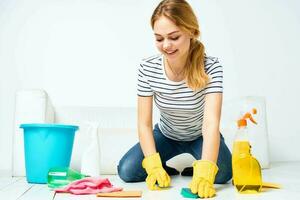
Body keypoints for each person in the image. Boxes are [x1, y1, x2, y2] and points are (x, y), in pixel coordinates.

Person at [118, 0, 232, 198]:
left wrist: (205, 171)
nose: (166, 45)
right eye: (159, 39)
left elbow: (211, 124)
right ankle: (164, 167)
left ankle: (196, 168)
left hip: (200, 136)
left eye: (174, 37)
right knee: (127, 171)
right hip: (166, 135)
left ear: (191, 32)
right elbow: (144, 124)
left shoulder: (212, 67)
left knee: (223, 174)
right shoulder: (147, 68)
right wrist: (153, 166)